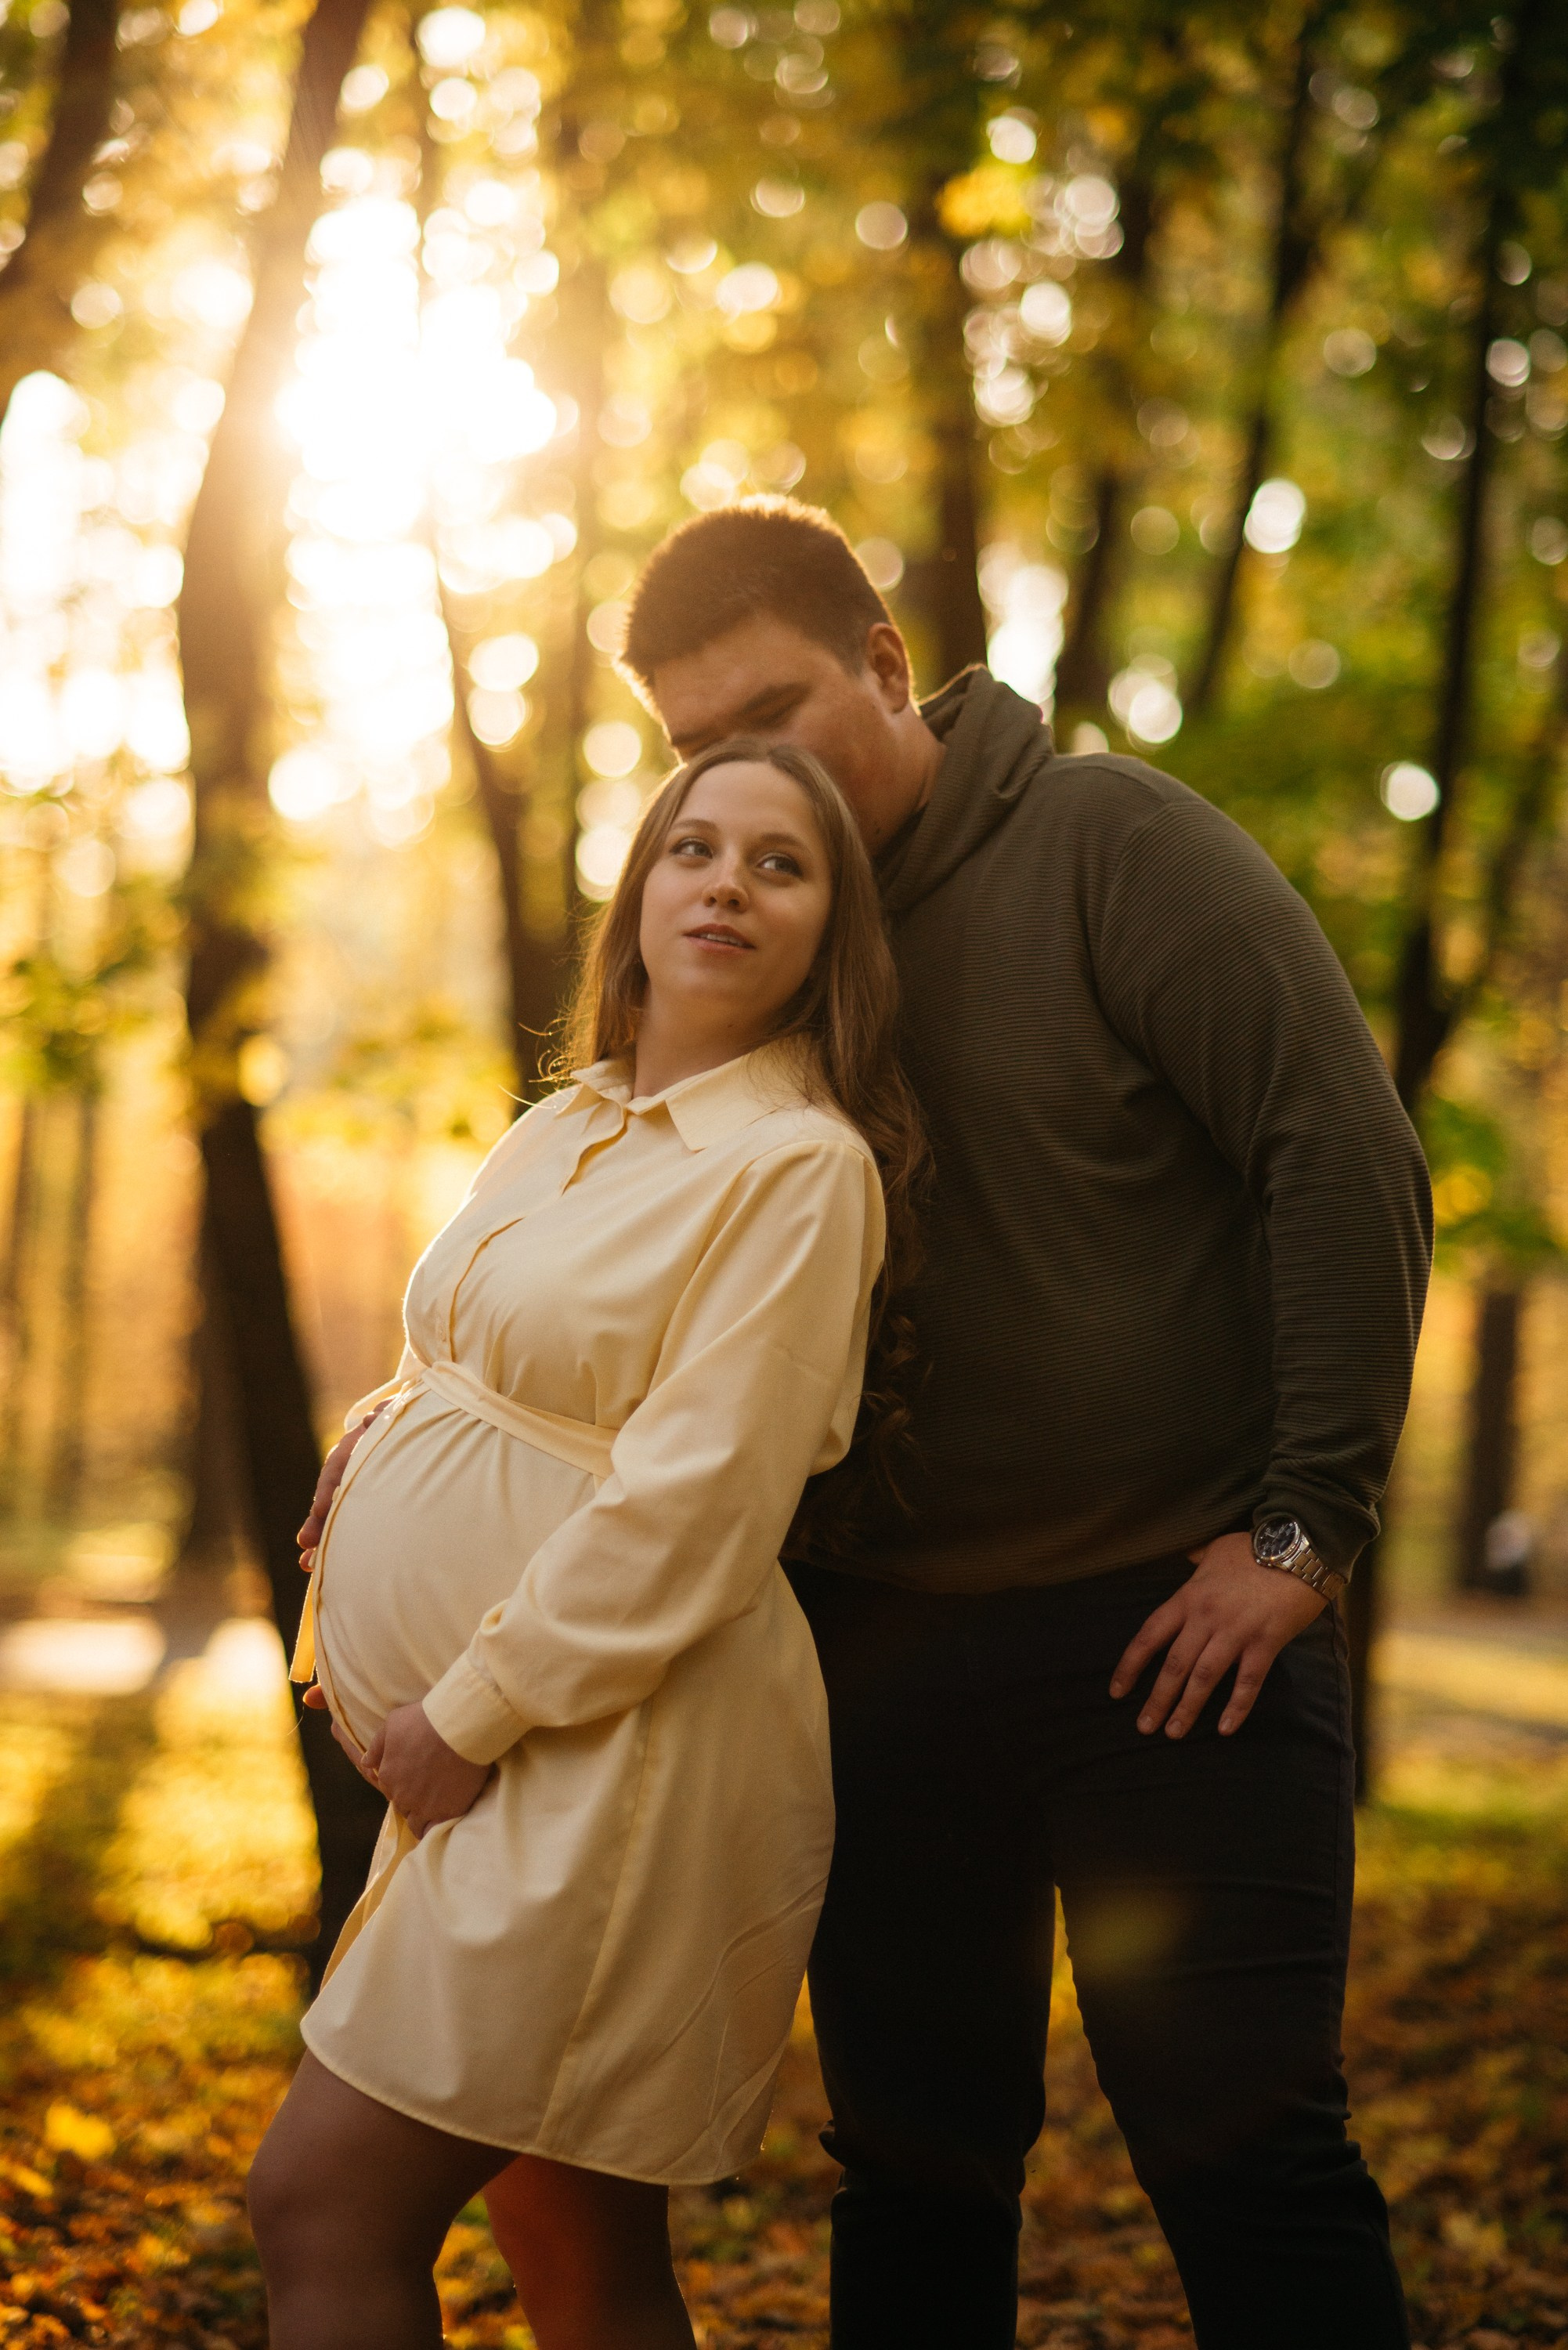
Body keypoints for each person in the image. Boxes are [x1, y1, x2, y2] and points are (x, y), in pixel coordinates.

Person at [611, 499, 1434, 2350]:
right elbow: (609, 1224)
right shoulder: (752, 928)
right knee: (909, 2169)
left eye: (774, 709)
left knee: (1246, 2158)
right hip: (875, 1650)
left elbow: (1340, 1155)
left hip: (1174, 1638)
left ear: (887, 667)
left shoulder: (1108, 847)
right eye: (690, 750)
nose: (737, 775)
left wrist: (1303, 1530)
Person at [247, 739, 924, 2350]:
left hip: (612, 1753)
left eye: (782, 864)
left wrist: (464, 1717)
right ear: (639, 896)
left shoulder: (797, 1170)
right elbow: (457, 1350)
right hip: (510, 1750)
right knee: (568, 2230)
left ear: (830, 930)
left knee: (321, 2203)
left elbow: (699, 1500)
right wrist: (373, 1447)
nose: (727, 885)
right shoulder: (564, 1124)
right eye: (695, 848)